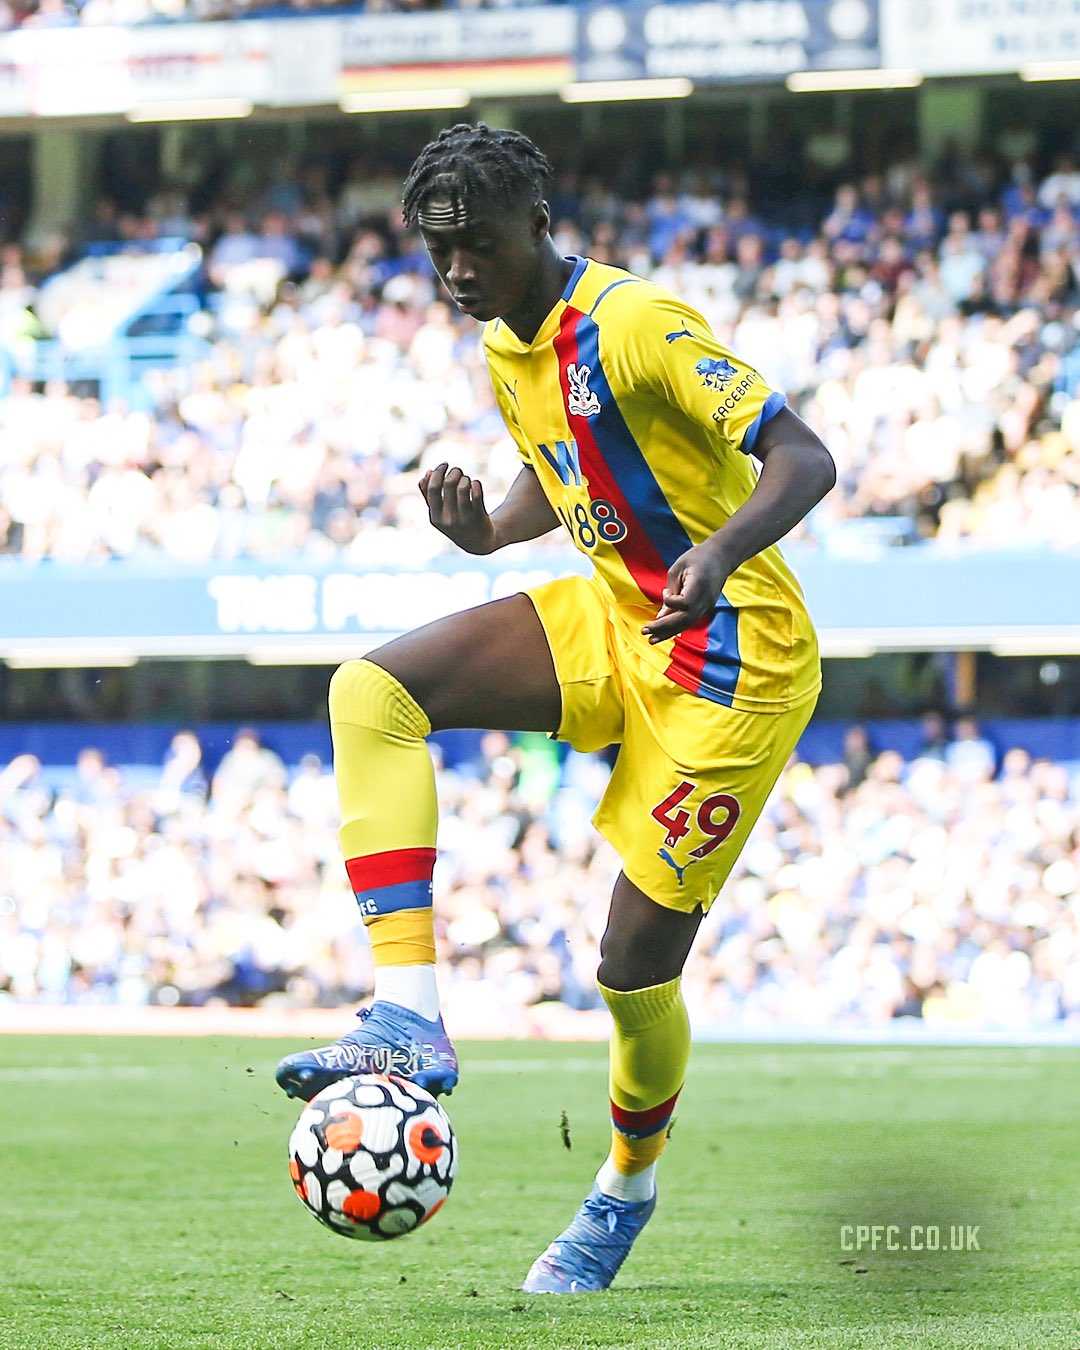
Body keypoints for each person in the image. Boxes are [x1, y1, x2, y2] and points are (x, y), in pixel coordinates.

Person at [274, 123, 835, 1292]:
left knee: (629, 971)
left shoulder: (635, 324)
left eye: (478, 245)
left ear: (536, 224)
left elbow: (802, 456)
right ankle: (407, 1015)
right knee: (372, 692)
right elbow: (563, 463)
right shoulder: (503, 343)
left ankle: (625, 1186)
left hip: (734, 662)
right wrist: (487, 530)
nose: (459, 272)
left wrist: (721, 552)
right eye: (440, 253)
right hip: (620, 615)